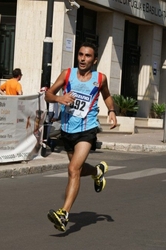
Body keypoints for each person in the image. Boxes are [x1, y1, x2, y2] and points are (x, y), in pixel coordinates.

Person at [45, 42, 117, 232]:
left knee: (72, 169)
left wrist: (111, 111)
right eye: (80, 55)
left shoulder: (99, 79)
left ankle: (64, 213)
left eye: (87, 56)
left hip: (88, 128)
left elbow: (107, 95)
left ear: (94, 59)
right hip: (68, 128)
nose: (83, 59)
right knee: (77, 169)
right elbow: (48, 94)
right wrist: (59, 98)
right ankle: (97, 172)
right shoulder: (67, 74)